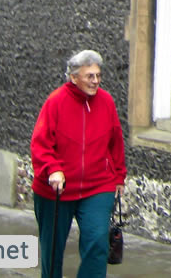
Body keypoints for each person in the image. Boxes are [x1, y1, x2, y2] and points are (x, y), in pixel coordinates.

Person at [31, 50, 126, 278]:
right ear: (74, 77)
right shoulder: (56, 102)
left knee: (97, 243)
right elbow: (40, 143)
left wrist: (119, 176)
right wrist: (53, 169)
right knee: (52, 250)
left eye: (98, 75)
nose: (95, 81)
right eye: (89, 76)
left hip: (97, 186)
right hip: (57, 189)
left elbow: (116, 141)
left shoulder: (106, 101)